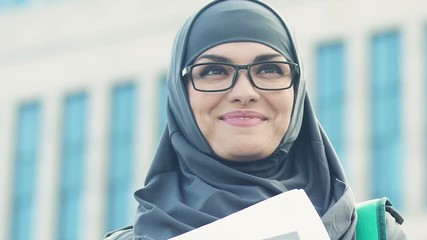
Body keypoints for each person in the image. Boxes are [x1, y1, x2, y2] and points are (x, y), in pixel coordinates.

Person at [105, 0, 407, 239]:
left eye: (270, 70)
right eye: (214, 71)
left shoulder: (371, 235)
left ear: (296, 90)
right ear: (180, 96)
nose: (244, 92)